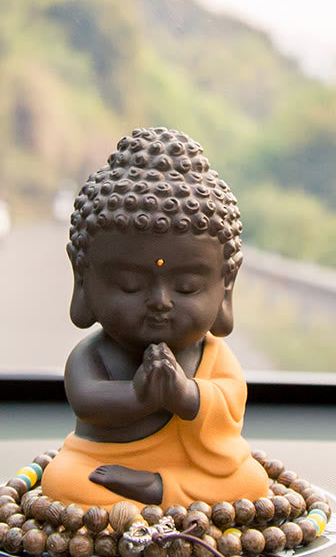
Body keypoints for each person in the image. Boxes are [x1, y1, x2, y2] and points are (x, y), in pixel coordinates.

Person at [40, 128, 269, 509]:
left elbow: (230, 403)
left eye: (187, 286)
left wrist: (184, 394)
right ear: (83, 279)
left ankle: (157, 490)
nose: (160, 301)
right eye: (130, 285)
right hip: (102, 460)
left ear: (226, 284)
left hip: (193, 470)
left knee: (250, 481)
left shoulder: (211, 356)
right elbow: (87, 400)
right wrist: (138, 395)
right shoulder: (94, 355)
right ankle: (163, 497)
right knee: (62, 480)